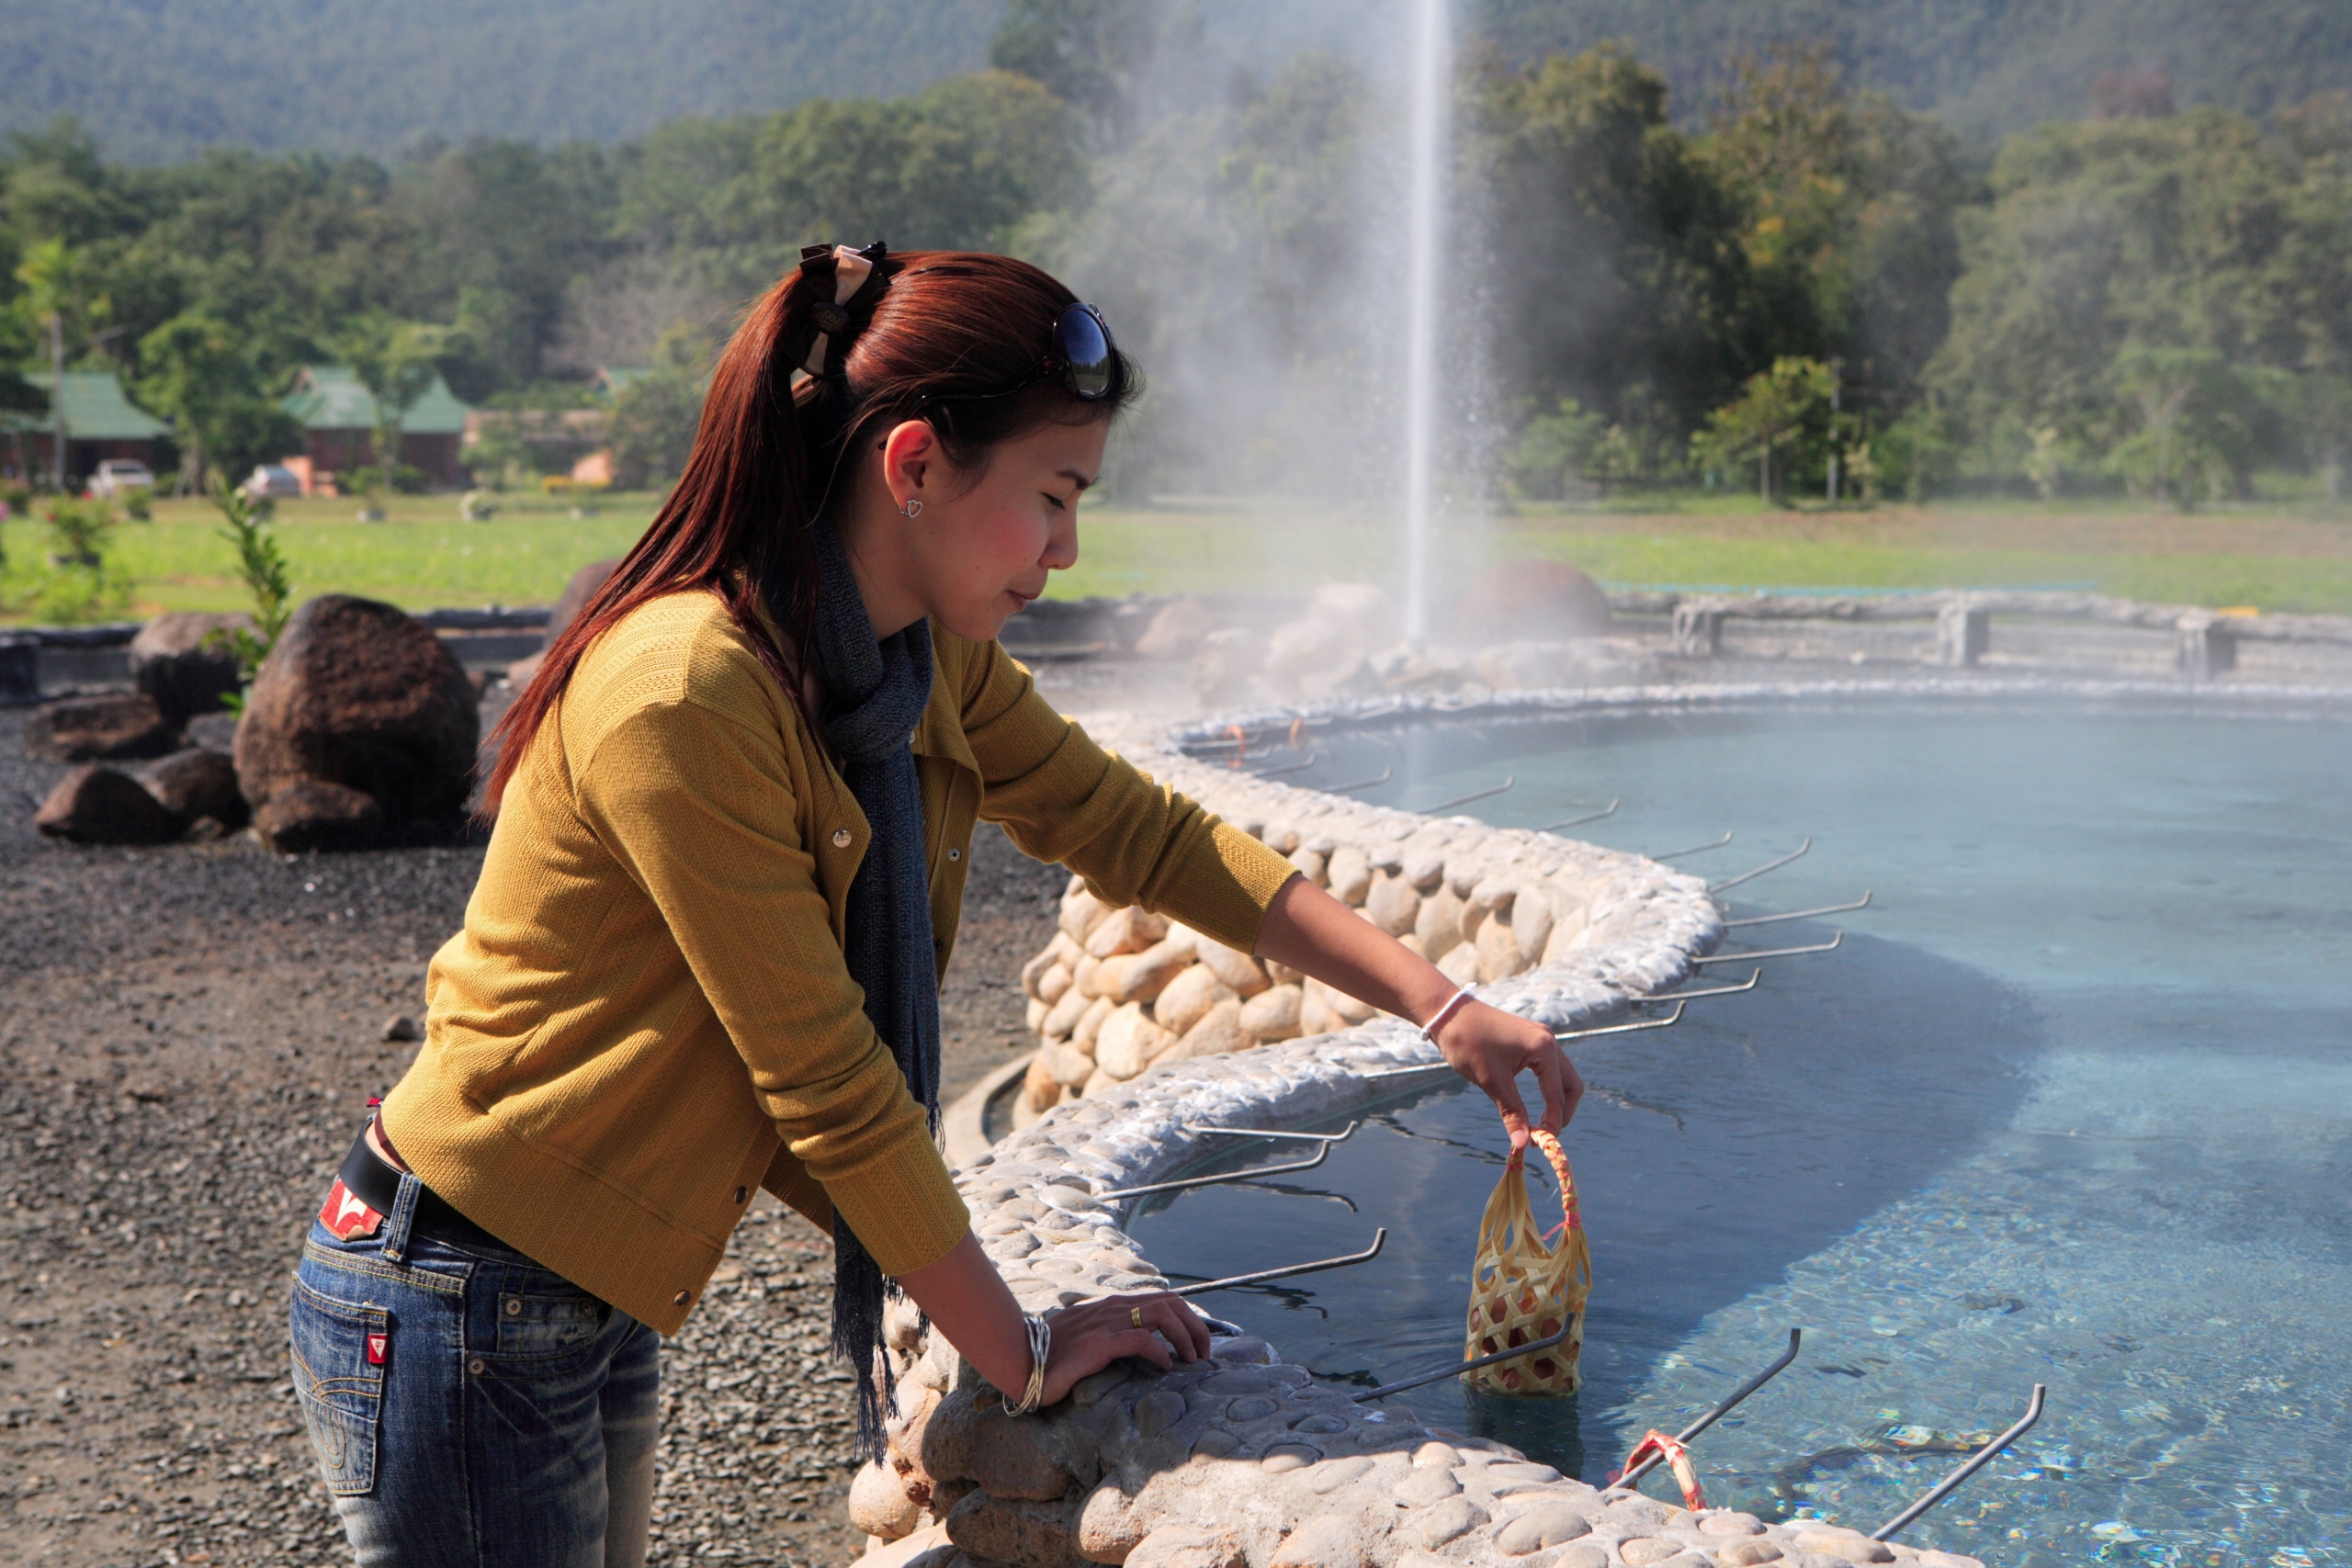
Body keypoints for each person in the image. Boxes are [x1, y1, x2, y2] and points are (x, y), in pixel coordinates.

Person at [288, 243, 1581, 1568]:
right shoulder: (686, 693)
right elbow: (826, 1079)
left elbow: (1139, 829)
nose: (1068, 552)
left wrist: (1443, 1002)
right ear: (913, 467)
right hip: (456, 1288)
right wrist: (1017, 1351)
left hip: (566, 1297)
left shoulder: (917, 662)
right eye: (1053, 497)